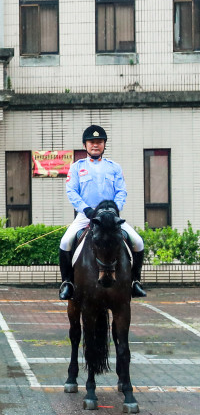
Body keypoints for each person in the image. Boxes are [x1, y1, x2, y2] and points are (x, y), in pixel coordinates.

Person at [58, 125, 146, 300]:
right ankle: (67, 283)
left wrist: (114, 209)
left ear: (104, 144)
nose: (95, 145)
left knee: (138, 242)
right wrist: (86, 209)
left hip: (110, 218)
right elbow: (72, 192)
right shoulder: (77, 167)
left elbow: (121, 191)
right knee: (65, 242)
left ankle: (135, 281)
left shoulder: (114, 167)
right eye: (91, 142)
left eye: (99, 142)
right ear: (85, 145)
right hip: (86, 216)